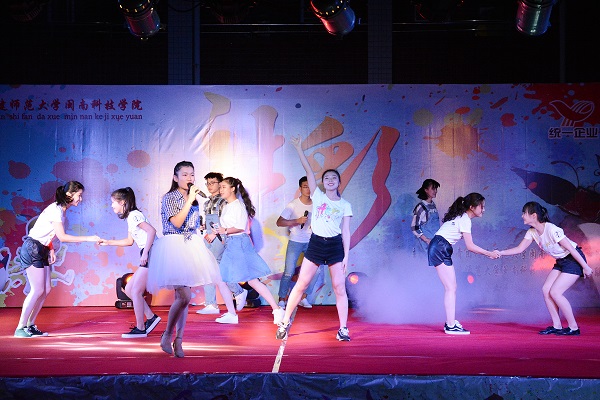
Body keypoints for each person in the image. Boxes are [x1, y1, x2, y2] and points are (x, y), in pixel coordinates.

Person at [146, 161, 238, 358]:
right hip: (173, 246)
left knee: (182, 299)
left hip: (190, 245)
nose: (189, 178)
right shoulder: (170, 197)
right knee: (184, 296)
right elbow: (177, 222)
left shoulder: (194, 199)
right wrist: (189, 200)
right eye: (185, 174)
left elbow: (192, 224)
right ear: (175, 177)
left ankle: (179, 339)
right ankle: (167, 334)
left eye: (192, 175)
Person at [276, 136, 353, 342]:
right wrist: (299, 148)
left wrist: (346, 256)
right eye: (326, 178)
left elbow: (346, 231)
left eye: (334, 178)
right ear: (322, 182)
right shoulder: (317, 196)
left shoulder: (345, 204)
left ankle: (343, 329)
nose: (330, 180)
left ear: (339, 182)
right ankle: (284, 322)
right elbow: (309, 171)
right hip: (316, 243)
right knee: (301, 284)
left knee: (339, 288)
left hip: (335, 246)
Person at [15, 181, 101, 338]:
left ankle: (30, 325)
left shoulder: (61, 210)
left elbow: (46, 232)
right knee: (37, 290)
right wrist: (89, 238)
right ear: (69, 194)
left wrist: (51, 249)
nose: (80, 199)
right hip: (33, 248)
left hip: (42, 248)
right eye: (79, 195)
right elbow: (62, 237)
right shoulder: (56, 210)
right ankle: (20, 328)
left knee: (46, 289)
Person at [497, 201, 593, 336]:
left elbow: (572, 249)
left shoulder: (552, 229)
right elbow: (519, 249)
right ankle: (557, 326)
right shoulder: (532, 232)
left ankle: (574, 327)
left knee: (556, 292)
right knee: (546, 290)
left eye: (524, 213)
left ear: (534, 215)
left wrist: (585, 267)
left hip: (573, 259)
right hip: (561, 261)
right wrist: (500, 253)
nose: (522, 216)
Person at [212, 176, 285, 325]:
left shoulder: (238, 206)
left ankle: (276, 309)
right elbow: (227, 228)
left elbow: (240, 227)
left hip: (239, 243)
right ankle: (232, 312)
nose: (221, 190)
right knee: (223, 279)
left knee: (250, 280)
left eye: (224, 187)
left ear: (233, 189)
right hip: (232, 243)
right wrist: (219, 232)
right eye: (220, 187)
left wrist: (224, 230)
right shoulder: (226, 206)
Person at [428, 192, 499, 335]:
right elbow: (470, 246)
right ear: (472, 207)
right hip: (440, 247)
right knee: (450, 288)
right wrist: (489, 253)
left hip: (440, 247)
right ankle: (450, 325)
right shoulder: (465, 219)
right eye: (481, 207)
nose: (483, 209)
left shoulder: (461, 217)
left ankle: (451, 322)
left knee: (452, 287)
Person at [98, 187, 161, 338]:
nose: (112, 205)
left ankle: (141, 328)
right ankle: (151, 317)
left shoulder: (134, 215)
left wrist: (145, 253)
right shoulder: (131, 217)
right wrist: (108, 242)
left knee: (136, 291)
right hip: (148, 251)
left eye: (113, 202)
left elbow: (152, 231)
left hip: (152, 252)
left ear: (122, 202)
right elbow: (129, 241)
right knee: (129, 289)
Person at [196, 172, 248, 315]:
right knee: (213, 268)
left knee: (211, 267)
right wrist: (204, 227)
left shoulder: (224, 201)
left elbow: (225, 222)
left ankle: (216, 301)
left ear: (220, 184)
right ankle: (233, 293)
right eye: (207, 183)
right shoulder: (207, 202)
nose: (209, 186)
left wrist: (215, 233)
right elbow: (210, 221)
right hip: (210, 236)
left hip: (219, 237)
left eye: (212, 183)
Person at [276, 176, 318, 309]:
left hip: (312, 242)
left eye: (310, 187)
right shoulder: (293, 204)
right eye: (305, 187)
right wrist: (296, 221)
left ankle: (303, 297)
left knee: (314, 272)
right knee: (289, 272)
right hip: (295, 241)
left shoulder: (317, 204)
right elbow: (279, 222)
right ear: (300, 188)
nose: (308, 190)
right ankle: (282, 299)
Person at [411, 179, 441, 252]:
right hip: (424, 246)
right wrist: (426, 240)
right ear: (426, 190)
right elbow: (414, 227)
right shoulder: (421, 207)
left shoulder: (433, 205)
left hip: (434, 243)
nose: (435, 191)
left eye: (436, 188)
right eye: (433, 189)